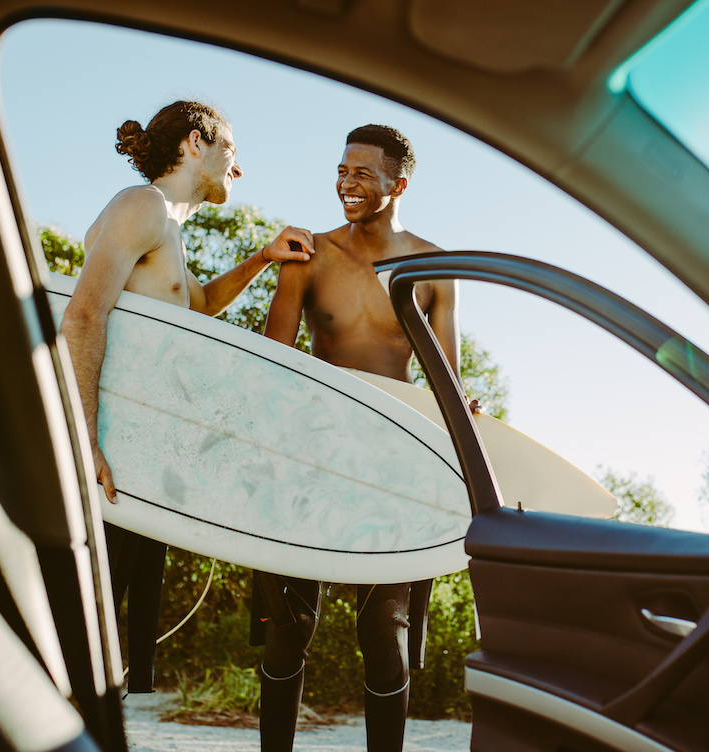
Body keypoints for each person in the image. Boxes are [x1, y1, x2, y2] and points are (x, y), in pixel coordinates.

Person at [61, 100, 313, 693]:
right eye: (232, 150)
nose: (239, 168)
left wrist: (263, 257)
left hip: (143, 458)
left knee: (113, 659)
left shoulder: (167, 228)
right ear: (196, 143)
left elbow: (199, 305)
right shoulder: (140, 205)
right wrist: (83, 440)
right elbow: (83, 318)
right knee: (84, 645)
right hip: (111, 456)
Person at [259, 124, 466, 752]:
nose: (347, 183)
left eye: (363, 174)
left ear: (398, 184)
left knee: (383, 628)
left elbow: (445, 380)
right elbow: (273, 362)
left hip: (391, 461)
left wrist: (461, 417)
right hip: (311, 451)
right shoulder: (310, 255)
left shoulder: (433, 267)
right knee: (289, 627)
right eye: (342, 170)